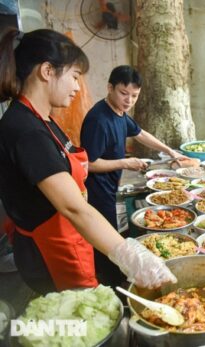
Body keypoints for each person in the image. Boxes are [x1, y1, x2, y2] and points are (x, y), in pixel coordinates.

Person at [0, 28, 176, 294]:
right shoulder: (25, 130)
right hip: (50, 252)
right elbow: (73, 208)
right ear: (47, 71)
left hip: (70, 238)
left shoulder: (43, 120)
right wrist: (130, 255)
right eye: (74, 76)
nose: (77, 87)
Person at [80, 65, 188, 287]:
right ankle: (111, 285)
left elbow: (140, 134)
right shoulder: (99, 119)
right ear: (110, 88)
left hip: (111, 186)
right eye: (123, 93)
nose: (128, 100)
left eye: (134, 96)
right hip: (97, 191)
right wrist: (125, 163)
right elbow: (89, 163)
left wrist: (170, 151)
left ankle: (114, 277)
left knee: (114, 235)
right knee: (106, 241)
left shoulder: (119, 113)